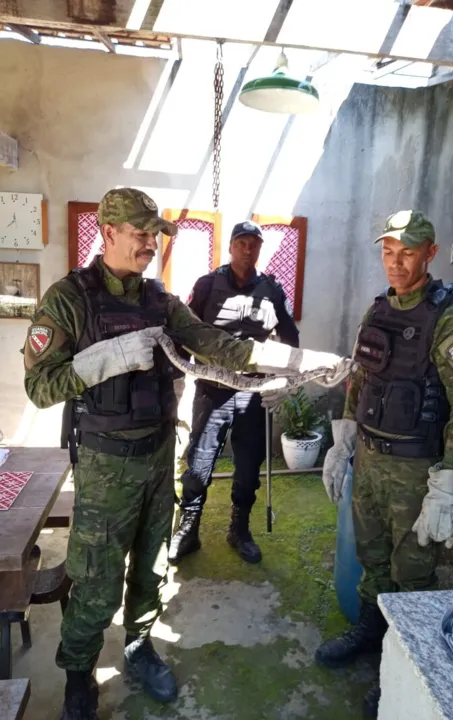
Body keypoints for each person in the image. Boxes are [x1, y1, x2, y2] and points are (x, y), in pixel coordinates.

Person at [22, 188, 346, 720]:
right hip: (106, 465)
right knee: (97, 580)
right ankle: (79, 676)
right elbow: (40, 388)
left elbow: (220, 345)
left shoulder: (159, 300)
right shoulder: (68, 299)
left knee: (150, 570)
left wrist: (301, 359)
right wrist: (103, 360)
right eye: (140, 233)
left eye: (156, 235)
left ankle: (138, 647)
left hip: (158, 455)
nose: (151, 244)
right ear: (108, 233)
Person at [315, 211, 453, 717]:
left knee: (411, 574)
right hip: (368, 459)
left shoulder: (452, 320)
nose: (395, 262)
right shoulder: (378, 312)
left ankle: (402, 669)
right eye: (388, 252)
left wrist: (448, 485)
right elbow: (359, 380)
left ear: (430, 253)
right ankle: (371, 632)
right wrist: (342, 440)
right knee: (372, 561)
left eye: (407, 252)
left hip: (417, 472)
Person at [168, 220, 300, 565]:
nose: (247, 248)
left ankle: (239, 529)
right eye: (241, 242)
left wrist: (284, 379)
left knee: (248, 469)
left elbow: (290, 337)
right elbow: (184, 333)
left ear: (258, 249)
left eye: (254, 243)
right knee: (199, 465)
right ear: (230, 246)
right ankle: (188, 529)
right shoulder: (208, 285)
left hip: (253, 393)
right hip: (212, 390)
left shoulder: (272, 290)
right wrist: (178, 376)